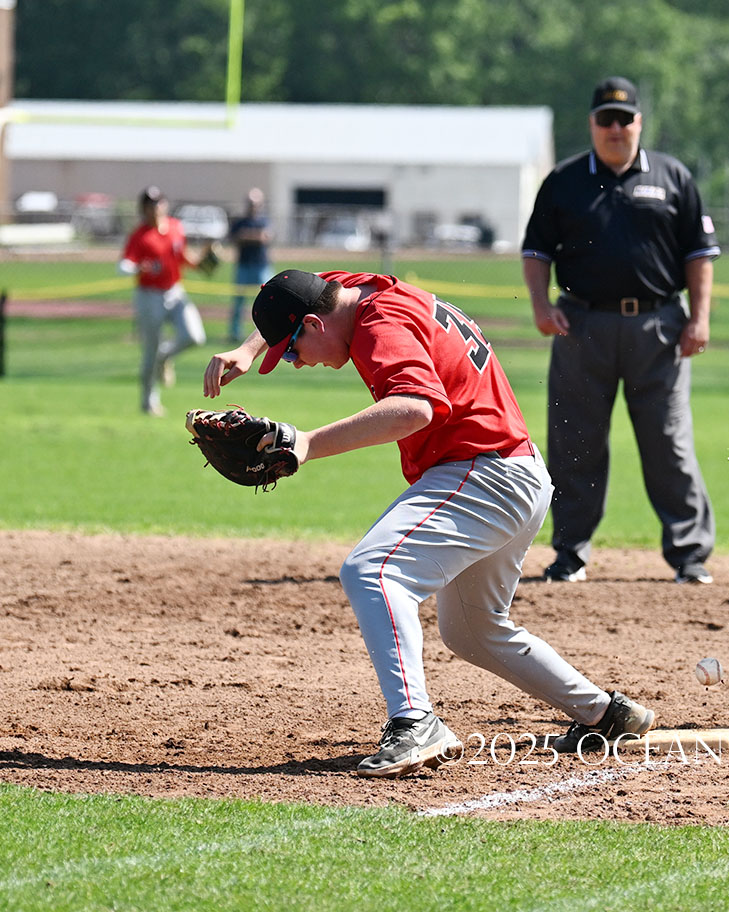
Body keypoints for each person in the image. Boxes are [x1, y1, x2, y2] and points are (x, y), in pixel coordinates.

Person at [201, 269, 655, 777]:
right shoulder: (358, 290)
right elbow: (309, 284)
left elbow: (415, 408)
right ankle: (604, 714)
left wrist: (306, 443)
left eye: (290, 351)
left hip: (483, 474)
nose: (297, 362)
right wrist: (248, 349)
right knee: (473, 630)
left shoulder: (379, 325)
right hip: (516, 473)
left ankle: (415, 722)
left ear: (313, 323)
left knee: (372, 571)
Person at [521, 75, 721, 585]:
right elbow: (536, 251)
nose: (615, 128)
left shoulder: (672, 177)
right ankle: (570, 553)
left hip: (659, 326)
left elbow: (699, 255)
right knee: (575, 443)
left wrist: (700, 317)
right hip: (581, 325)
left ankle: (689, 555)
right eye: (606, 119)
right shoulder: (564, 181)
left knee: (668, 442)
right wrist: (541, 306)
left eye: (624, 119)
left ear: (639, 122)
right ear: (592, 124)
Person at [118, 186, 208, 416]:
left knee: (195, 336)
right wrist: (137, 267)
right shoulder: (140, 235)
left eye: (158, 202)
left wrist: (202, 262)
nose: (155, 208)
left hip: (175, 291)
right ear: (143, 208)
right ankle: (148, 402)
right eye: (149, 204)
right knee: (150, 350)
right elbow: (124, 265)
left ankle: (164, 357)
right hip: (149, 295)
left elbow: (182, 257)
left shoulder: (176, 227)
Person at [227, 187, 272, 342]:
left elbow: (265, 237)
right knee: (238, 301)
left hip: (261, 266)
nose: (253, 206)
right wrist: (255, 236)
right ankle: (235, 334)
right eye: (250, 203)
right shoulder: (240, 222)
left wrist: (246, 236)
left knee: (268, 299)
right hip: (243, 266)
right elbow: (235, 238)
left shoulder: (264, 221)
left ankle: (269, 330)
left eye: (255, 203)